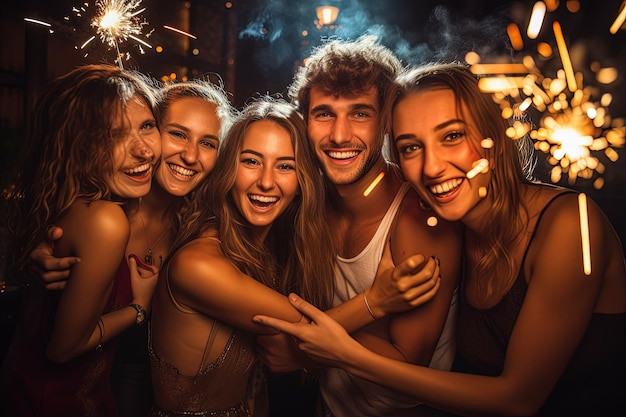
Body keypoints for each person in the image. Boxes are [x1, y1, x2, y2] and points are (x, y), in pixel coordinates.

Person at [252, 62, 626, 416]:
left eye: (452, 136)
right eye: (412, 147)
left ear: (493, 135)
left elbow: (518, 401)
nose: (431, 167)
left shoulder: (569, 225)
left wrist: (339, 351)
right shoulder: (451, 224)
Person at [148, 97, 441, 417]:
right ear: (228, 168)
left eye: (285, 166)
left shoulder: (269, 251)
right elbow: (304, 331)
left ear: (302, 181)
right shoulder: (199, 264)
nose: (266, 181)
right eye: (251, 161)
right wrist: (377, 300)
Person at [257, 35, 463, 417]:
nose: (339, 135)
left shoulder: (417, 217)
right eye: (324, 114)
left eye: (360, 113)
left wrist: (301, 346)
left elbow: (407, 361)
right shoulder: (306, 203)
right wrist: (370, 305)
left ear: (386, 121)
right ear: (304, 122)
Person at [25, 77, 239, 417]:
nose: (190, 155)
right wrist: (37, 251)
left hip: (135, 393)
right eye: (178, 134)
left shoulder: (199, 228)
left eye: (209, 143)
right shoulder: (99, 210)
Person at [0, 64, 161, 417]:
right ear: (79, 147)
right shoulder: (105, 220)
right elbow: (63, 349)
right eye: (113, 136)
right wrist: (139, 308)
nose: (143, 150)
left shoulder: (75, 205)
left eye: (147, 126)